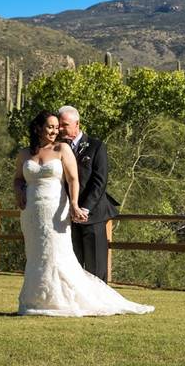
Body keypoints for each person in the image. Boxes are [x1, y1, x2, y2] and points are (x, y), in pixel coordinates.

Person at [13, 110, 153, 316]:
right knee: (36, 255)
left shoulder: (62, 148)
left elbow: (73, 179)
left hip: (55, 210)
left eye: (57, 127)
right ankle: (36, 299)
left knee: (57, 254)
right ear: (38, 128)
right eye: (50, 126)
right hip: (32, 212)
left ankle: (64, 300)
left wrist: (75, 205)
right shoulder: (25, 153)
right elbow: (18, 178)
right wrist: (19, 192)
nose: (55, 130)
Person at [57, 105, 121, 281]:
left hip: (92, 215)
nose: (60, 128)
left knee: (95, 267)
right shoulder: (57, 148)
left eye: (65, 124)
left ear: (77, 124)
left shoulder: (96, 146)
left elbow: (99, 182)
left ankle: (101, 303)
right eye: (59, 124)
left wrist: (84, 209)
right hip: (67, 216)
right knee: (73, 265)